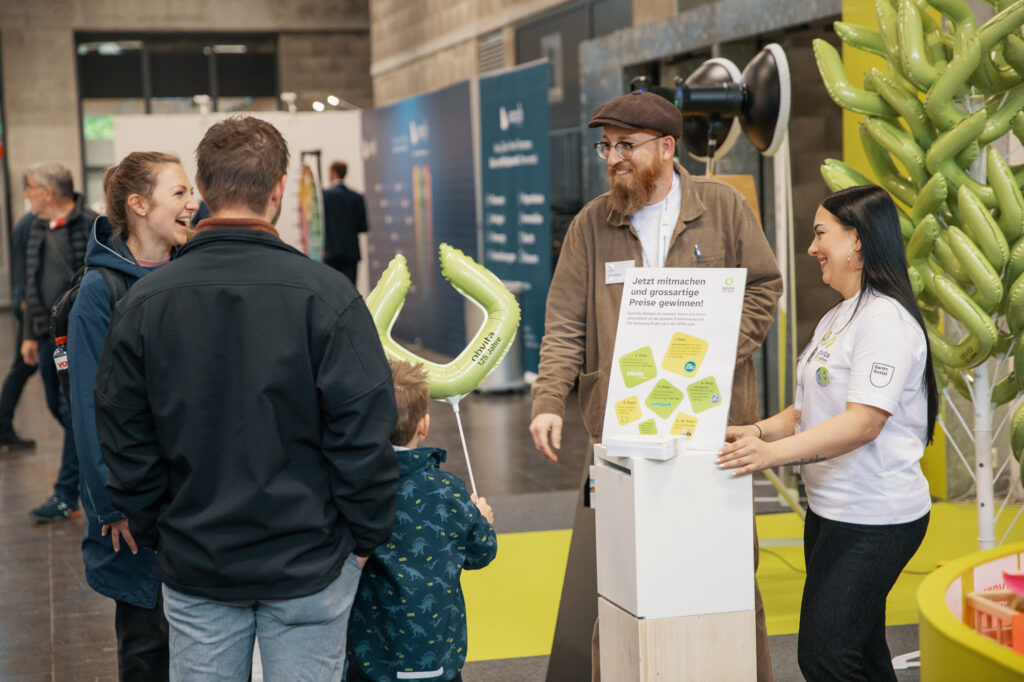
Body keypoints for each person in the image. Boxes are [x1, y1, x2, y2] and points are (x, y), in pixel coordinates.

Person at [93, 116, 400, 681]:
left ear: (203, 190)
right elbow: (366, 429)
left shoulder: (146, 303)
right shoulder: (328, 295)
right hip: (311, 563)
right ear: (280, 188)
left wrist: (158, 526)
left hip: (198, 562)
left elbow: (121, 430)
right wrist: (363, 538)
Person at [527, 91, 782, 681]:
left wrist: (715, 350)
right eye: (607, 146)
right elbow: (564, 320)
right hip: (625, 433)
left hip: (716, 430)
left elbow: (764, 288)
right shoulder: (593, 223)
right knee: (622, 581)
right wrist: (548, 400)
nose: (613, 157)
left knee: (726, 577)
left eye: (626, 145)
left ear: (666, 149)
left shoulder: (723, 208)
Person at [717, 185, 936, 681]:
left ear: (856, 241)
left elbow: (863, 421)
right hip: (830, 511)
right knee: (863, 651)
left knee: (826, 656)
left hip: (874, 518)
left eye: (821, 234)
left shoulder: (884, 320)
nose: (812, 248)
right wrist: (751, 430)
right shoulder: (840, 315)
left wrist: (768, 457)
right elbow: (810, 407)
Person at [68, 151, 199, 681]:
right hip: (135, 504)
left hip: (192, 495)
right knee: (147, 643)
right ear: (139, 205)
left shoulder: (191, 273)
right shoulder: (100, 293)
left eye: (192, 191)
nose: (193, 202)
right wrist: (109, 505)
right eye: (180, 193)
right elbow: (87, 407)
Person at [346, 360, 498, 682]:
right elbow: (481, 553)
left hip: (371, 660)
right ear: (424, 424)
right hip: (441, 659)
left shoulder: (355, 488)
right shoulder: (449, 490)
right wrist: (480, 520)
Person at [23, 163, 97, 522]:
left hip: (74, 342)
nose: (27, 194)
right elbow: (28, 284)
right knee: (59, 409)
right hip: (44, 338)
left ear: (49, 192)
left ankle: (67, 493)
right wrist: (28, 334)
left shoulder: (92, 224)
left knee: (74, 415)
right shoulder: (33, 227)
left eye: (31, 187)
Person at [0, 210, 39, 449]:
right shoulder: (33, 224)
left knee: (22, 367)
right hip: (29, 306)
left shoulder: (27, 222)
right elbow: (30, 270)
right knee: (23, 365)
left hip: (26, 302)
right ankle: (3, 424)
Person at [322, 160, 368, 283]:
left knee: (332, 290)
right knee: (350, 291)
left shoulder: (325, 196)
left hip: (331, 252)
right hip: (351, 252)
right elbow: (363, 227)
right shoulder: (357, 197)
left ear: (333, 173)